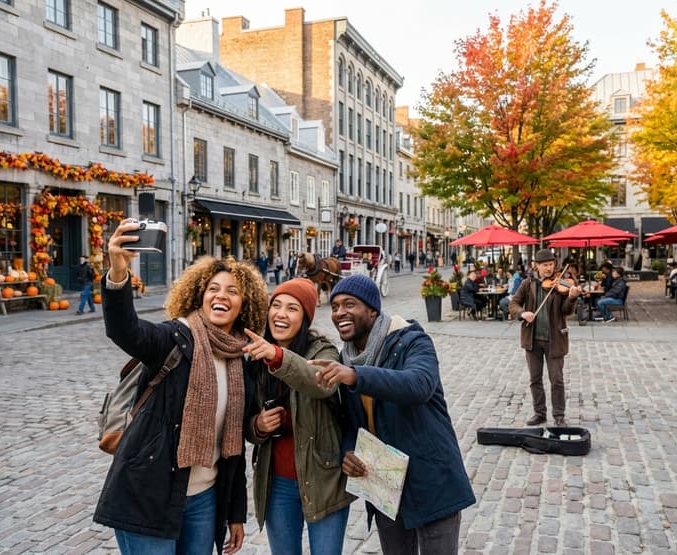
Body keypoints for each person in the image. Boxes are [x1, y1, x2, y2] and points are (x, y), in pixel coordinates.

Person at [93, 218, 269, 555]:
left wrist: (235, 514)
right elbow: (125, 330)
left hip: (204, 500)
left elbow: (232, 448)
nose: (221, 296)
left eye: (232, 291)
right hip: (148, 492)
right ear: (199, 295)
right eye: (213, 289)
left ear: (244, 304)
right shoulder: (174, 338)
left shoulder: (240, 360)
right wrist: (117, 273)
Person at [313, 275, 475, 554]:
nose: (339, 312)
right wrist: (349, 451)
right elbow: (350, 423)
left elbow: (419, 385)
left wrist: (356, 376)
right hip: (384, 483)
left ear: (372, 310)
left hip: (431, 478)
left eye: (349, 304)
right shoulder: (346, 359)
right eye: (335, 306)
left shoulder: (412, 340)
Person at [242, 278, 354, 554]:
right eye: (276, 305)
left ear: (305, 317)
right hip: (276, 482)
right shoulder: (257, 355)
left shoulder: (323, 350)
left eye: (292, 308)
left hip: (324, 479)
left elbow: (319, 382)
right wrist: (258, 425)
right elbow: (244, 421)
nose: (280, 314)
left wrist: (278, 356)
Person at [508, 249, 580, 427]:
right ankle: (539, 413)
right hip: (532, 340)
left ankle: (559, 416)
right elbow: (513, 303)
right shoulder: (527, 283)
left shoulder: (561, 284)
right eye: (545, 265)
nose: (549, 269)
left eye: (551, 264)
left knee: (557, 379)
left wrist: (571, 298)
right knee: (535, 379)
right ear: (537, 266)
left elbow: (566, 311)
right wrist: (523, 313)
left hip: (555, 338)